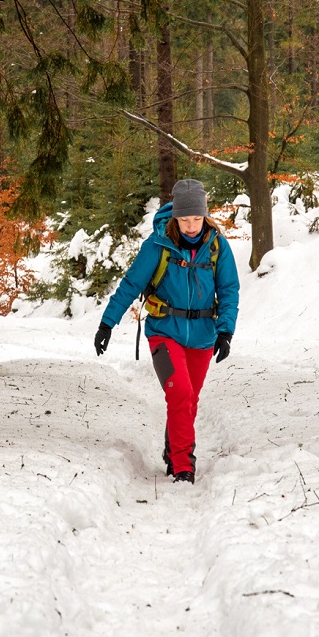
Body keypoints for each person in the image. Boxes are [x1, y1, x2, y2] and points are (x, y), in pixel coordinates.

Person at [93, 179, 239, 484]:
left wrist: (225, 331)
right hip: (164, 331)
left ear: (204, 215)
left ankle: (174, 449)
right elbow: (131, 284)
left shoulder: (216, 245)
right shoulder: (158, 245)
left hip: (203, 334)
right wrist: (107, 323)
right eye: (184, 219)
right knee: (181, 394)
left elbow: (228, 289)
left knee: (188, 401)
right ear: (175, 218)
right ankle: (184, 464)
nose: (190, 226)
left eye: (196, 219)